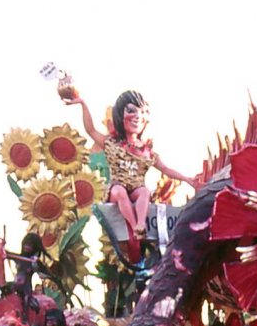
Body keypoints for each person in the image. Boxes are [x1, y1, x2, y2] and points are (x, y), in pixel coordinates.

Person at [66, 90, 197, 238]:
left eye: (142, 112)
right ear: (120, 115)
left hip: (136, 189)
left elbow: (165, 169)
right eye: (131, 111)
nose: (137, 116)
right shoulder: (111, 144)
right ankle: (135, 226)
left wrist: (187, 180)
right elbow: (90, 130)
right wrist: (83, 104)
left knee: (144, 192)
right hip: (117, 189)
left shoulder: (147, 151)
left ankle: (141, 223)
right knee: (120, 192)